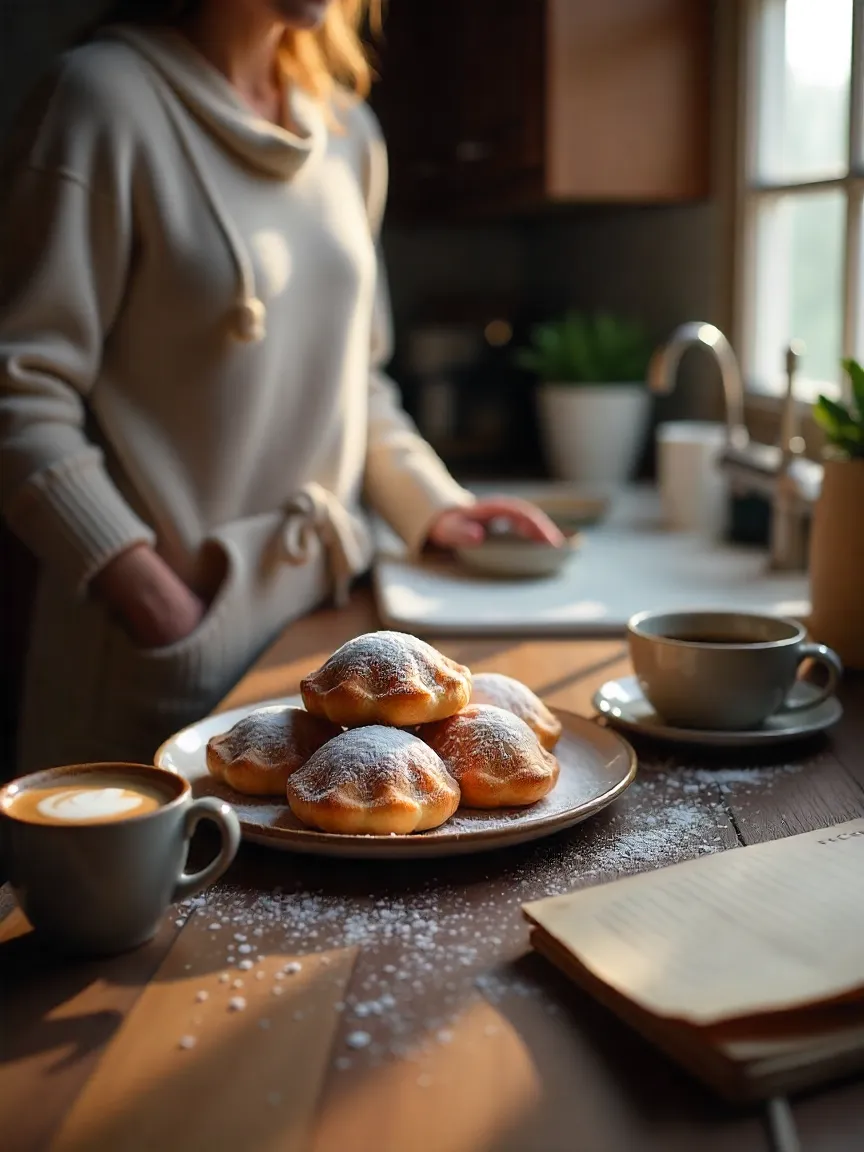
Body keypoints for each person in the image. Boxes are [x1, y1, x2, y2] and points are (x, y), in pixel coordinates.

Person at [0, 0, 562, 773]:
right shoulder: (100, 101)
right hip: (158, 648)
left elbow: (355, 378)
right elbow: (20, 394)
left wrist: (434, 506)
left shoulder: (349, 133)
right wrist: (160, 606)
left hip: (324, 638)